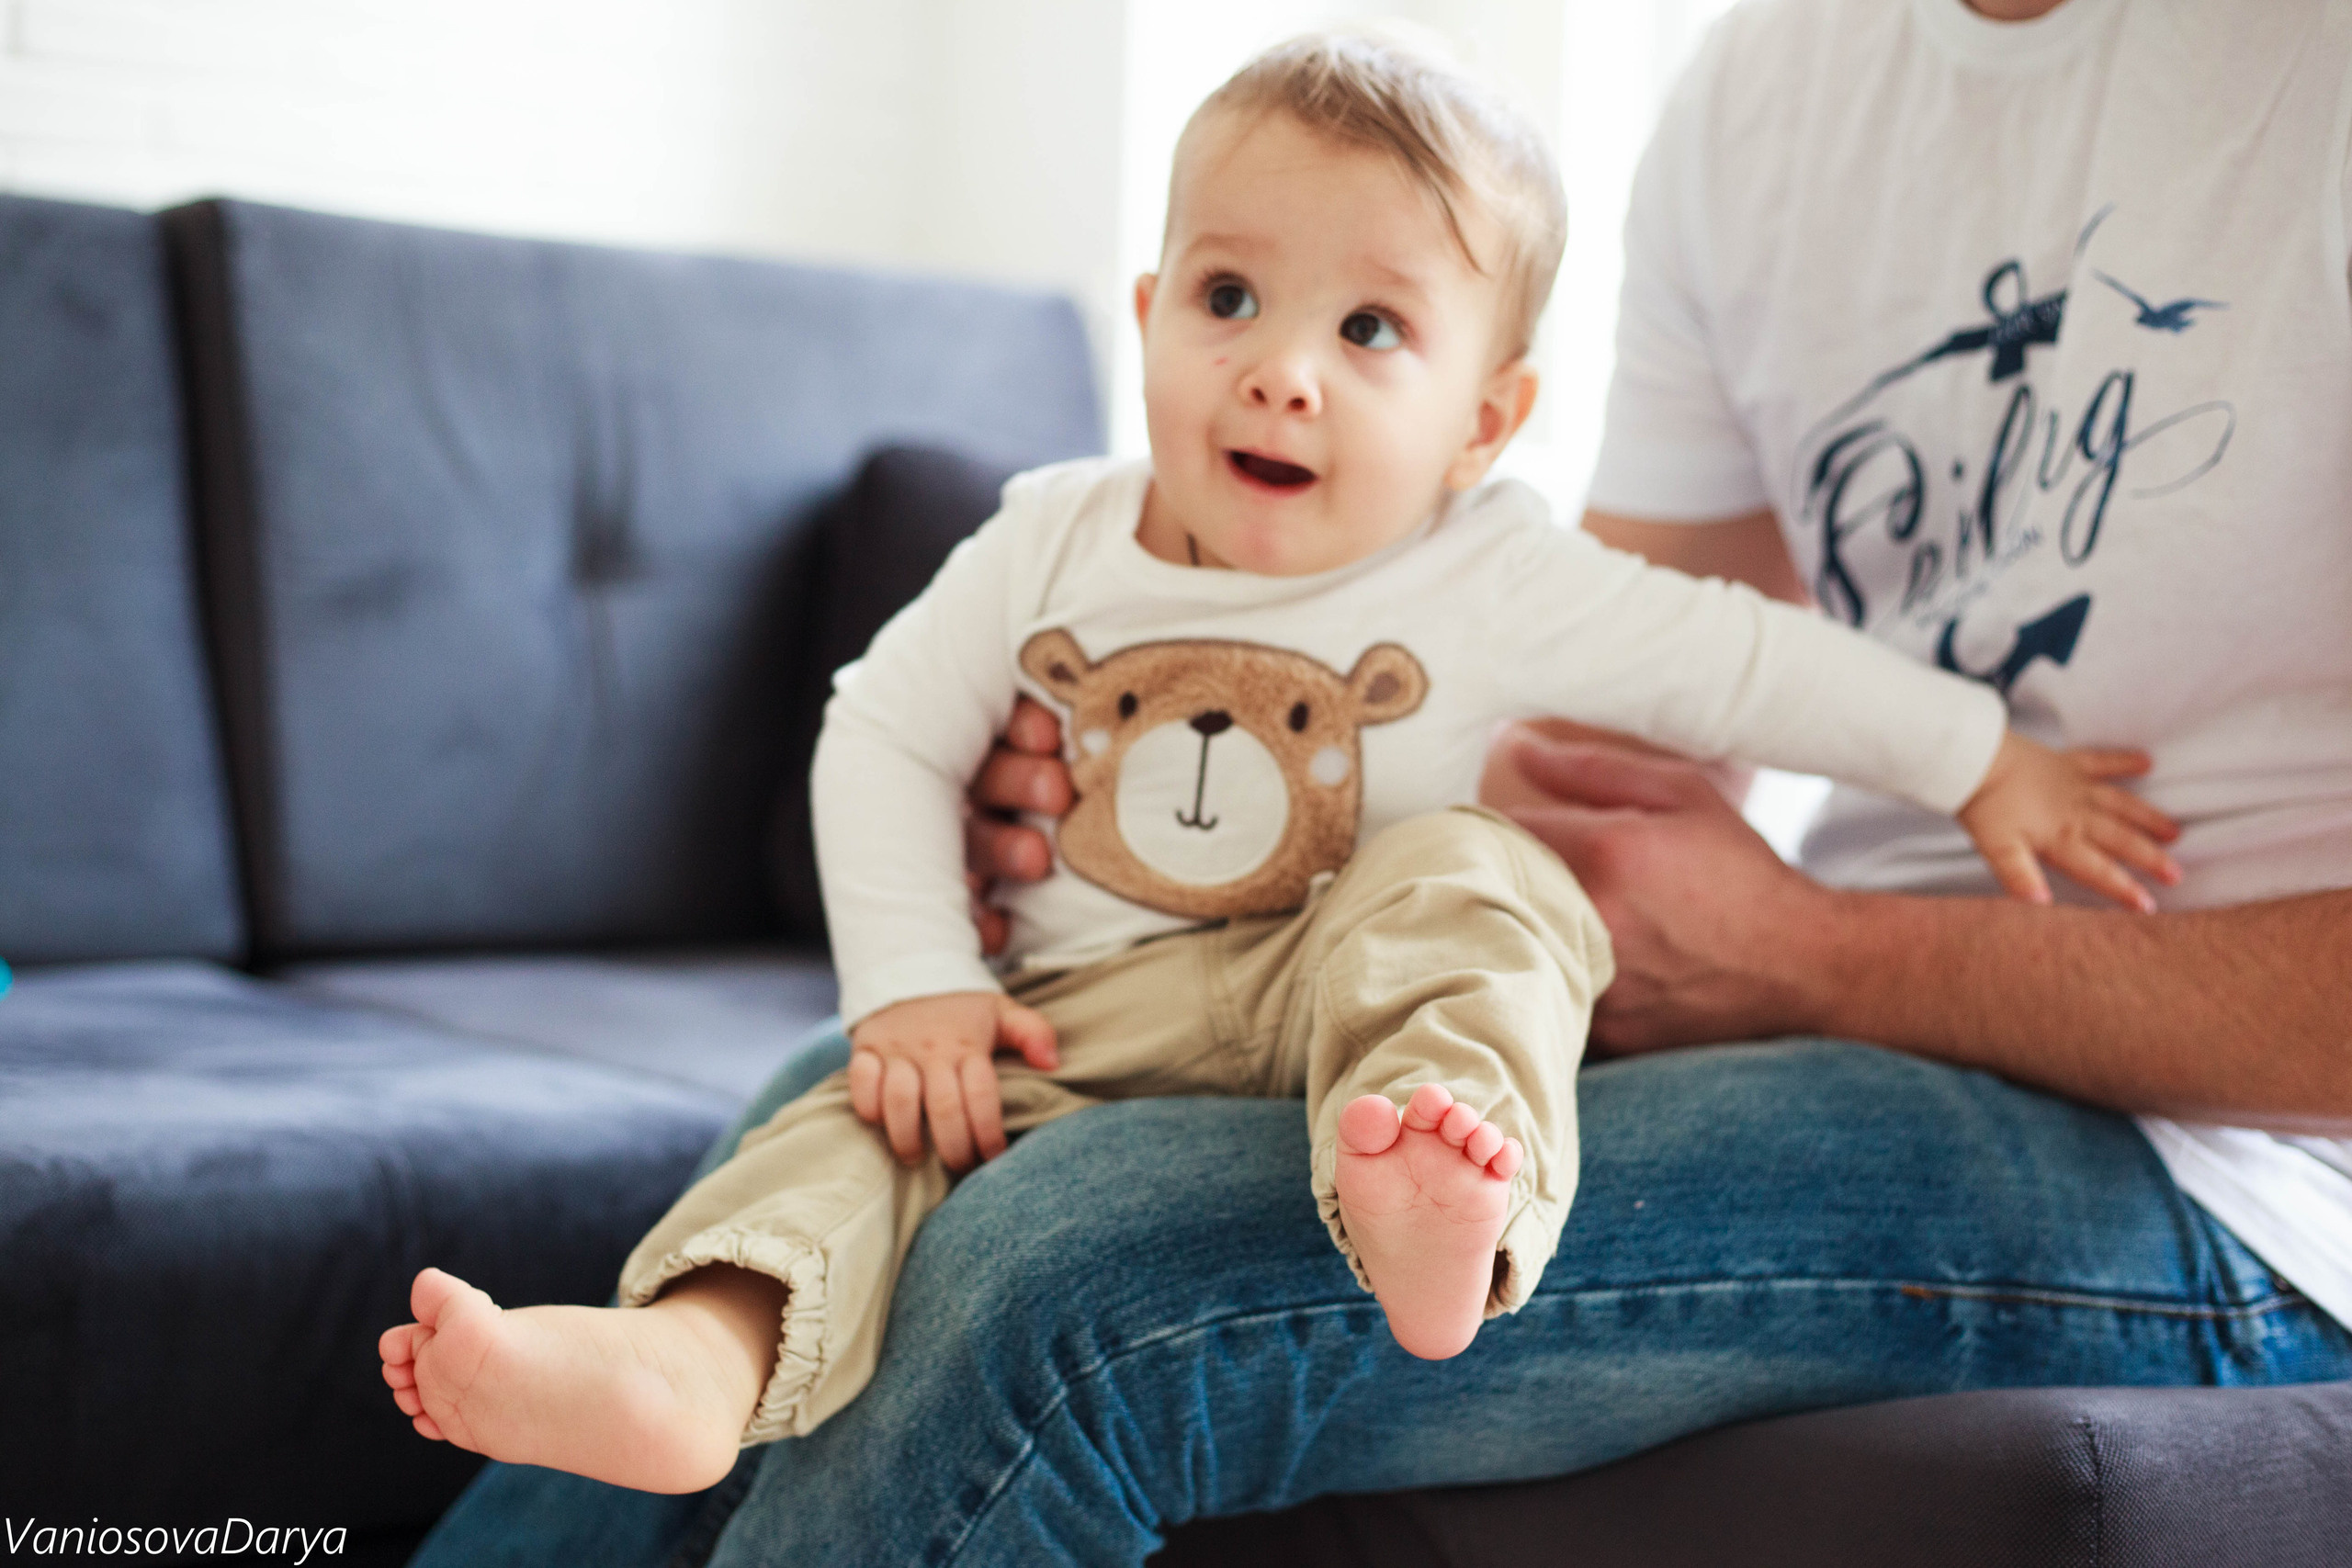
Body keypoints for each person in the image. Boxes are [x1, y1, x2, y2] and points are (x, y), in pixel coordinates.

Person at [411, 0, 2352, 1561]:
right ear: (1151, 297)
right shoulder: (1768, 79)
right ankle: (687, 1351)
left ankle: (1441, 1167)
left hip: (2248, 1159)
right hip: (1251, 982)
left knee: (1058, 1269)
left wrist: (1931, 817)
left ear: (1481, 414)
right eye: (1228, 302)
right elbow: (1650, 702)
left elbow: (1727, 659)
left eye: (1365, 332)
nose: (1282, 376)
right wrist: (1055, 841)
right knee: (835, 1092)